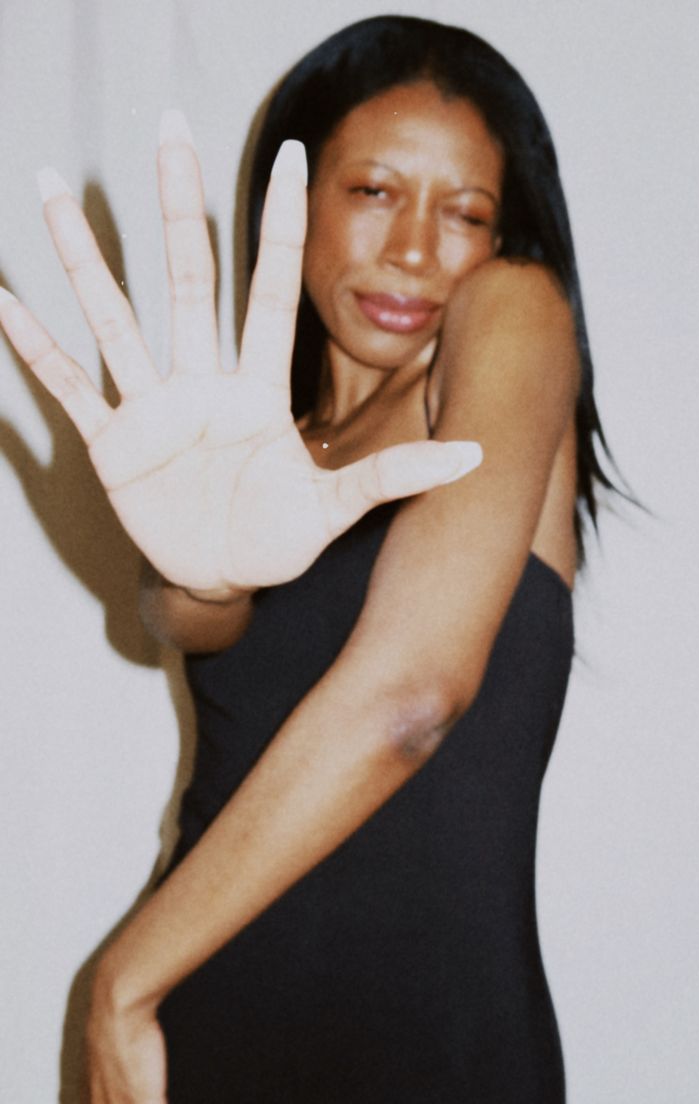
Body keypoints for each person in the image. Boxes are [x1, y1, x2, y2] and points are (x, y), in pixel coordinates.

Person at [0, 14, 613, 1103]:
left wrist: (120, 984)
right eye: (374, 191)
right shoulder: (266, 447)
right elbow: (190, 623)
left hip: (419, 1052)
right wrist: (201, 568)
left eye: (466, 212)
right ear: (298, 198)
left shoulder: (508, 316)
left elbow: (411, 699)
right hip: (201, 1038)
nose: (417, 251)